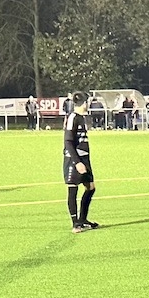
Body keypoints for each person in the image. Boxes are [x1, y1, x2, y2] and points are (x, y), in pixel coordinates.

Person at [63, 91, 98, 232]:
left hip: (84, 158)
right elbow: (68, 141)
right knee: (73, 189)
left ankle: (83, 220)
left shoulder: (81, 118)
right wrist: (77, 162)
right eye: (87, 102)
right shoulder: (73, 117)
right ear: (84, 103)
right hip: (74, 159)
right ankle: (75, 223)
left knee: (91, 187)